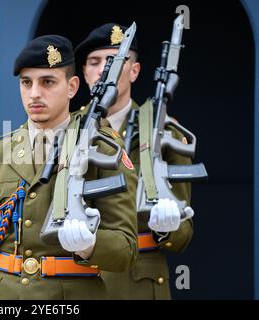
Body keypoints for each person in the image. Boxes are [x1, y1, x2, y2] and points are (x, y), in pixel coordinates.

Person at [0, 34, 138, 300]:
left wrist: (90, 246)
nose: (35, 93)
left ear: (72, 87)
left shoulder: (103, 150)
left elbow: (126, 250)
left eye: (48, 82)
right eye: (26, 83)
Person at [74, 23, 193, 300]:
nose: (104, 68)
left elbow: (184, 234)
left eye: (115, 60)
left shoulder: (166, 133)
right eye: (94, 62)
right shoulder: (64, 131)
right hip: (75, 280)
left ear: (135, 70)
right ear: (84, 73)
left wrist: (168, 227)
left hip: (137, 283)